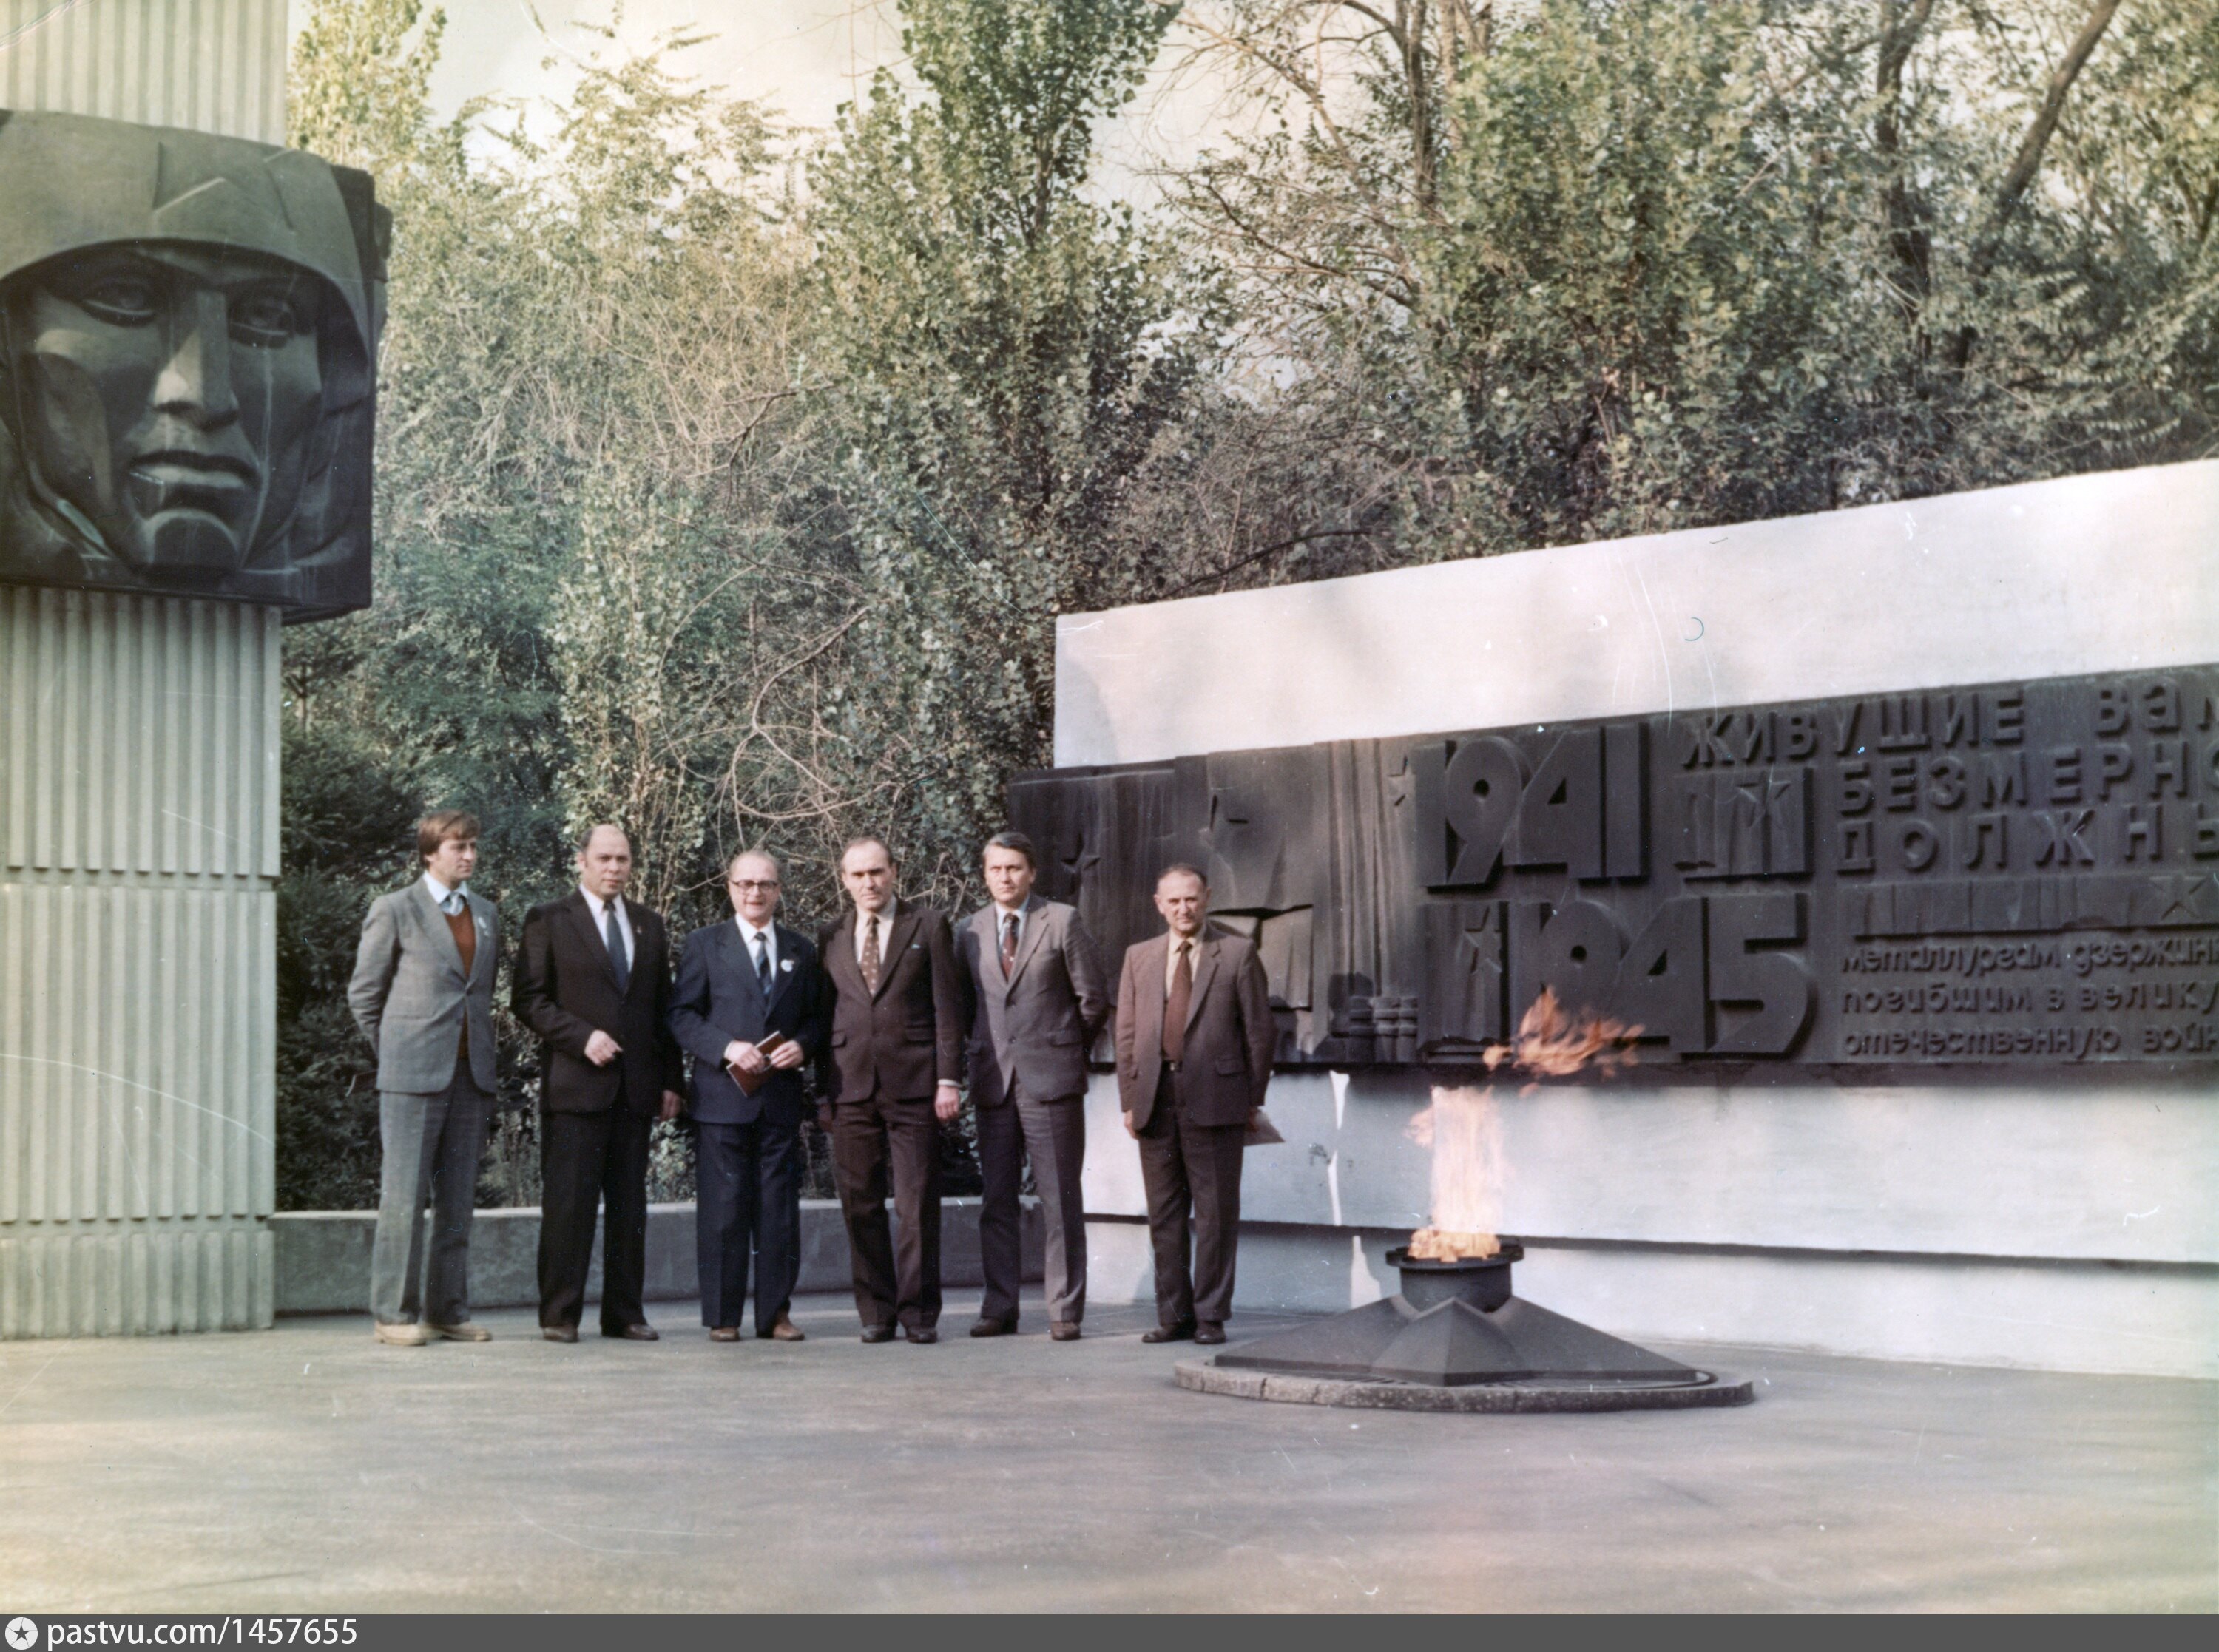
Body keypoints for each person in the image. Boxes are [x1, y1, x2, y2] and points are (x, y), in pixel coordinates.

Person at [512, 825, 684, 1343]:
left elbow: (662, 1010)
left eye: (622, 859)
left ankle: (625, 1314)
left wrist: (671, 1080)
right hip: (576, 1088)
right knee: (570, 1208)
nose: (614, 868)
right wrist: (581, 1037)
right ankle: (560, 1315)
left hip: (636, 1090)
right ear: (581, 861)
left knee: (630, 1209)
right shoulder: (548, 919)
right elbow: (529, 999)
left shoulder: (649, 924)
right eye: (604, 858)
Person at [346, 811, 501, 1346]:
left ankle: (447, 1310)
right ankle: (393, 1315)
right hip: (412, 1077)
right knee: (405, 1200)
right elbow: (365, 995)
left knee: (457, 1201)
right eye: (459, 847)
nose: (470, 856)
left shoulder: (486, 914)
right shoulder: (395, 908)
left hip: (470, 1075)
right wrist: (398, 1053)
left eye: (474, 846)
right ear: (430, 853)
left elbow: (478, 992)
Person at [669, 850, 829, 1343]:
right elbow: (681, 1017)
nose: (754, 893)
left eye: (765, 884)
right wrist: (726, 1048)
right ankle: (723, 1316)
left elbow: (818, 1019)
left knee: (779, 1211)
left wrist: (802, 1046)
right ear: (730, 888)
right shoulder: (704, 944)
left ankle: (775, 1315)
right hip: (722, 1099)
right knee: (724, 1211)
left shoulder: (801, 949)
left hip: (778, 1100)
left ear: (779, 890)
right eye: (745, 884)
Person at [955, 831, 1108, 1341]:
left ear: (1032, 872)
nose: (1006, 877)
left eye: (1015, 867)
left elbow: (1092, 999)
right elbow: (964, 1006)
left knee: (1060, 1198)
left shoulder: (1061, 920)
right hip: (994, 1081)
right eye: (996, 869)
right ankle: (999, 1307)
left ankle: (1064, 1310)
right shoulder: (968, 931)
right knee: (996, 1200)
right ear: (985, 875)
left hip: (1052, 1079)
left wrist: (1063, 1048)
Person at [1114, 864, 1275, 1347]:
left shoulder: (1237, 952)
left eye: (1191, 899)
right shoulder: (1139, 957)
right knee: (1164, 1215)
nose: (1183, 909)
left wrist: (1252, 1100)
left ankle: (1210, 1316)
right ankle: (1173, 1316)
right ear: (1158, 905)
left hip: (1217, 1099)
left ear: (1206, 898)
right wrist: (1129, 1100)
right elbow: (1126, 1034)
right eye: (1174, 901)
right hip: (1155, 1099)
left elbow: (1259, 1032)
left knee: (1215, 1214)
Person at [817, 836, 965, 1344]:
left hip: (916, 1084)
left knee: (916, 1203)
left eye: (877, 872)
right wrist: (822, 1094)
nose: (869, 883)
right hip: (850, 1085)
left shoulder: (927, 925)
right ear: (844, 880)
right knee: (859, 1203)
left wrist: (948, 1078)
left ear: (895, 872)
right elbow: (823, 1016)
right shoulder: (831, 935)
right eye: (858, 875)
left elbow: (948, 1008)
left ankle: (919, 1314)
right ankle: (876, 1312)